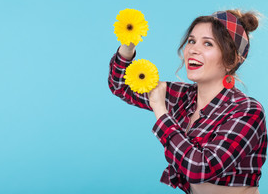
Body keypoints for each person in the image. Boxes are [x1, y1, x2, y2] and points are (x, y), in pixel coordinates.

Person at [108, 10, 267, 194]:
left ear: (231, 60)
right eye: (191, 41)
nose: (193, 49)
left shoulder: (247, 111)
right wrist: (128, 46)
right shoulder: (182, 96)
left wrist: (161, 110)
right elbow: (120, 86)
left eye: (208, 43)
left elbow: (200, 168)